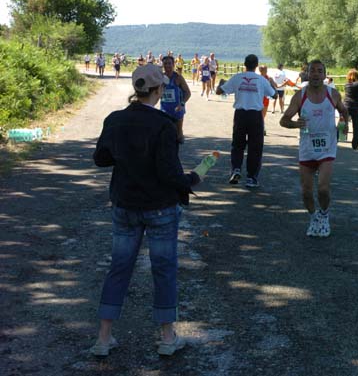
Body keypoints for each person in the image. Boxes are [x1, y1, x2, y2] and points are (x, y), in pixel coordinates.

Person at [91, 64, 201, 357]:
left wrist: (126, 154)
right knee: (163, 269)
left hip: (125, 205)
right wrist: (191, 180)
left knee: (119, 268)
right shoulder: (164, 124)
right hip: (159, 208)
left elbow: (101, 159)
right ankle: (167, 337)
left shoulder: (114, 120)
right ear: (157, 90)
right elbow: (169, 173)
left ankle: (103, 338)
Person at [280, 60, 349, 237]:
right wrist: (295, 124)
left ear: (325, 75)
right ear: (307, 74)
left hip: (327, 148)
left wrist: (344, 123)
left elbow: (343, 111)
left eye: (320, 71)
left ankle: (324, 215)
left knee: (323, 189)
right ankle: (314, 218)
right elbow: (284, 120)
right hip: (307, 149)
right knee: (306, 191)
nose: (316, 74)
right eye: (313, 71)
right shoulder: (299, 96)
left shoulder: (333, 94)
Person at [216, 54, 275, 188]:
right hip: (255, 115)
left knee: (237, 144)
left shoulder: (237, 78)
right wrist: (272, 85)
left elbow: (220, 91)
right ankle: (251, 177)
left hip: (240, 115)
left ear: (245, 64)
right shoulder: (261, 80)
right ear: (256, 65)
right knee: (255, 147)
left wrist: (222, 83)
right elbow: (274, 94)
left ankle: (236, 169)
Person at [161, 55, 192, 144]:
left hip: (177, 109)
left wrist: (181, 104)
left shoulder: (178, 78)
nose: (167, 66)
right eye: (165, 63)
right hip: (164, 110)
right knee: (165, 135)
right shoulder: (160, 78)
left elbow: (188, 93)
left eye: (169, 63)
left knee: (179, 137)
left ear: (173, 64)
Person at [258, 64, 278, 135]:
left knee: (263, 115)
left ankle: (261, 127)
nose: (266, 71)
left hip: (266, 98)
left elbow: (276, 85)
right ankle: (261, 128)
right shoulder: (257, 78)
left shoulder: (268, 78)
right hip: (258, 98)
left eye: (266, 69)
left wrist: (272, 81)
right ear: (261, 70)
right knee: (259, 114)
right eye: (265, 69)